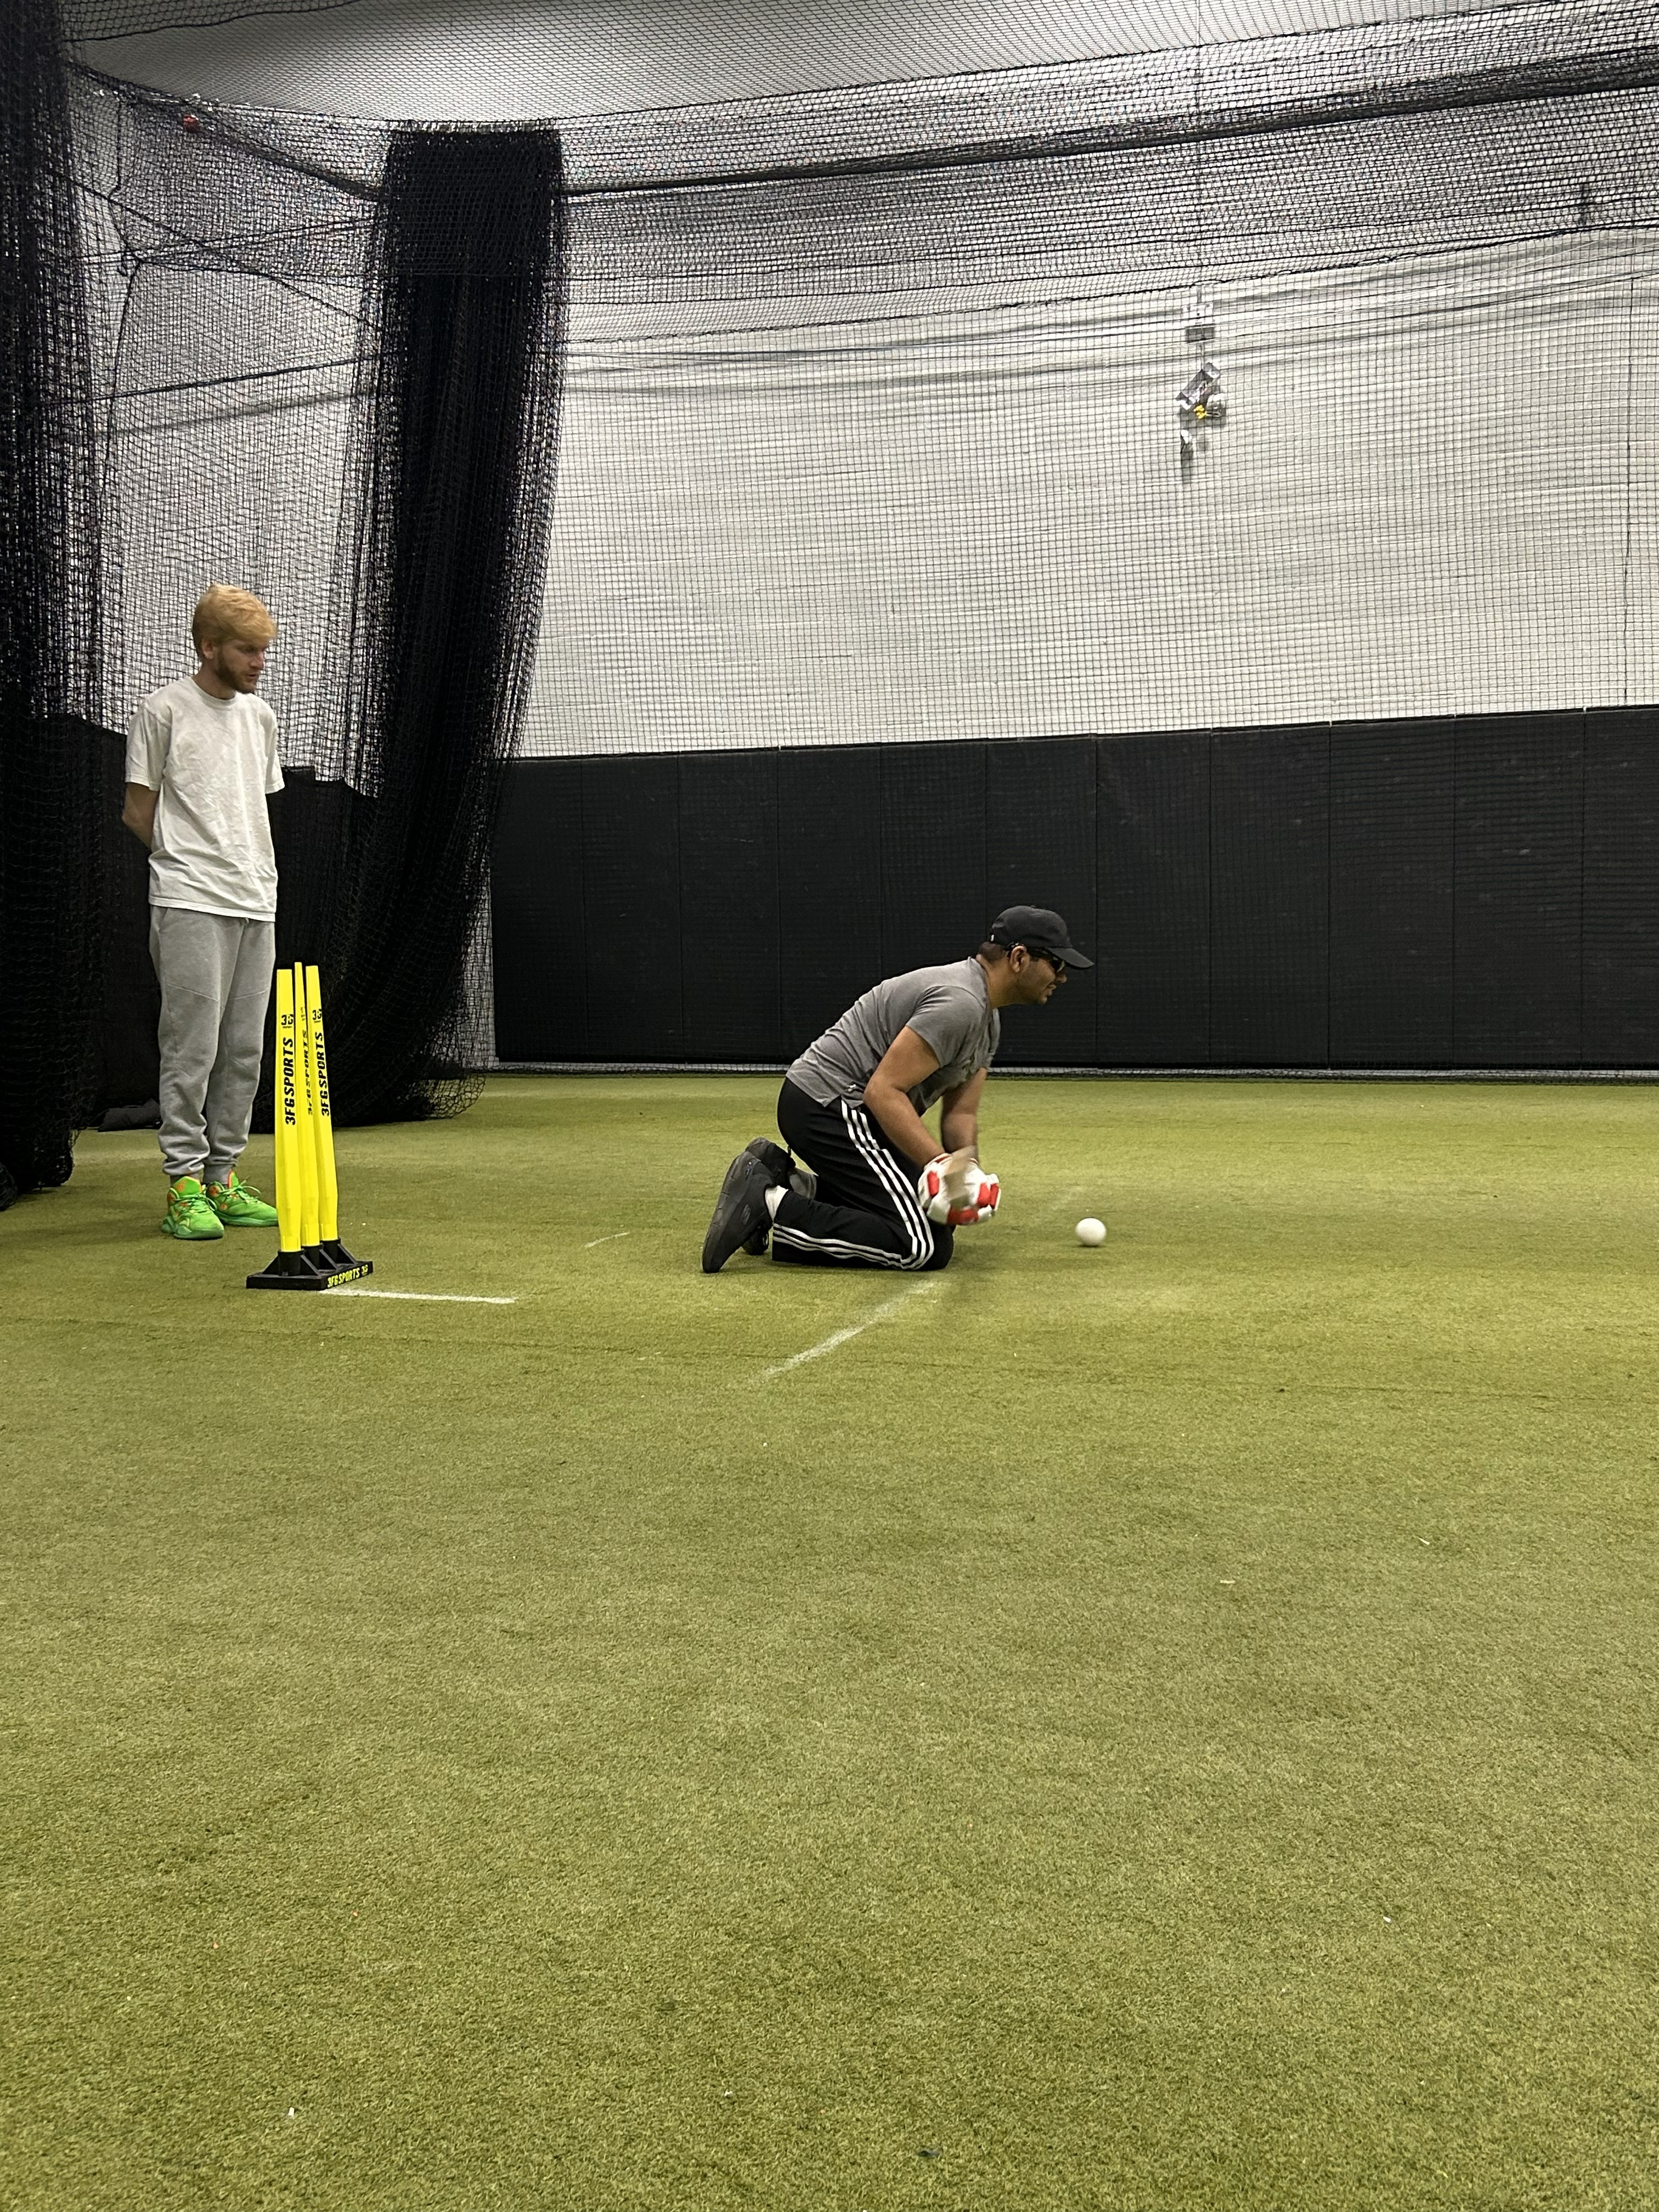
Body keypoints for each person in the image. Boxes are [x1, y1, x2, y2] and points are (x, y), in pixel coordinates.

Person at [701, 905, 1093, 1274]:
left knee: (933, 1215)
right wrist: (943, 1167)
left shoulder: (987, 1020)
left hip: (846, 1109)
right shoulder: (960, 1004)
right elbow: (883, 1091)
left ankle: (790, 1183)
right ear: (1020, 958)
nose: (1062, 976)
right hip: (830, 1105)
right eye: (1055, 963)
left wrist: (965, 1174)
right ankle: (771, 1205)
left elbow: (961, 1114)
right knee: (920, 1245)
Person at [121, 585, 285, 1242]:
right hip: (190, 899)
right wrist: (186, 863)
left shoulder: (260, 718)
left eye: (264, 651)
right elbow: (138, 810)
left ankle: (223, 1177)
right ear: (209, 646)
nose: (258, 662)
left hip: (256, 899)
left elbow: (253, 804)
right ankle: (183, 1184)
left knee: (244, 1049)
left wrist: (249, 873)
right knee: (192, 1047)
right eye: (247, 650)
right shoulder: (163, 711)